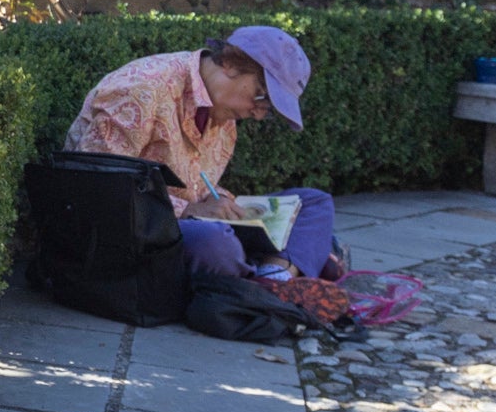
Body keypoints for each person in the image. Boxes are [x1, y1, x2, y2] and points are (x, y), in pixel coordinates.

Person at [62, 25, 342, 281]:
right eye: (262, 96)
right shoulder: (141, 90)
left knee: (313, 203)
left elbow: (194, 184)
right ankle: (280, 271)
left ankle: (273, 275)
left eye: (267, 108)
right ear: (231, 62)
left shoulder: (225, 118)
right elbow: (96, 187)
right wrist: (190, 210)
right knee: (216, 243)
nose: (257, 115)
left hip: (183, 229)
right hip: (126, 236)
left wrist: (223, 203)